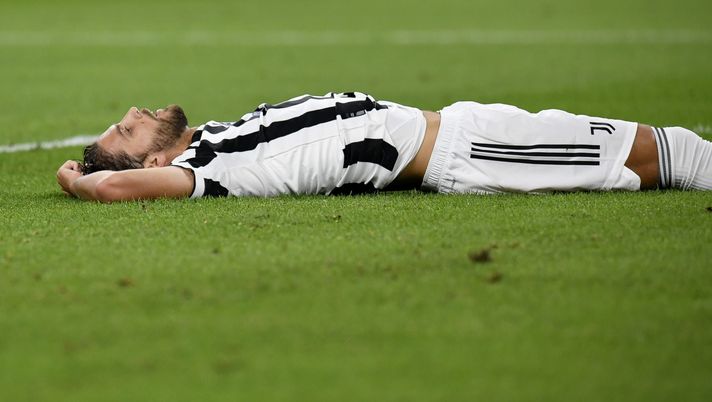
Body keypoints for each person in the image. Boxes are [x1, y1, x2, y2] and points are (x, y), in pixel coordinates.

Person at [56, 92, 712, 202]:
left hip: (462, 124)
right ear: (151, 163)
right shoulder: (206, 170)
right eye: (126, 130)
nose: (133, 113)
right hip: (467, 151)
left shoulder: (215, 137)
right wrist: (74, 179)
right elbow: (110, 186)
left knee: (665, 147)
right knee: (663, 153)